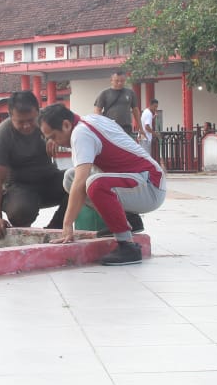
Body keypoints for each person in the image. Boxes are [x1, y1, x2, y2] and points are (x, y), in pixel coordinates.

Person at [38, 103, 167, 266]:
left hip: (150, 185)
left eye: (54, 136)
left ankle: (127, 246)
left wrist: (67, 225)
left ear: (66, 125)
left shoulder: (81, 134)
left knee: (94, 183)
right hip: (136, 181)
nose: (54, 142)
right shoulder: (87, 121)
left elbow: (80, 183)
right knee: (69, 178)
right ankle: (128, 221)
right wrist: (55, 138)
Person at [0, 91, 67, 236]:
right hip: (20, 188)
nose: (27, 126)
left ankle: (56, 227)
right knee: (21, 211)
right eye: (21, 122)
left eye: (31, 120)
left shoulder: (49, 122)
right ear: (11, 116)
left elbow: (74, 133)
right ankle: (24, 235)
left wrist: (56, 137)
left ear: (38, 112)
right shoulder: (3, 135)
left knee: (79, 181)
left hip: (49, 180)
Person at [94, 70, 137, 137]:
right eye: (117, 81)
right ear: (111, 80)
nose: (119, 83)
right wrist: (102, 124)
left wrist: (140, 127)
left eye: (122, 81)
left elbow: (135, 110)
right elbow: (97, 110)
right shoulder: (104, 93)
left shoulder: (130, 93)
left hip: (126, 128)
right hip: (110, 127)